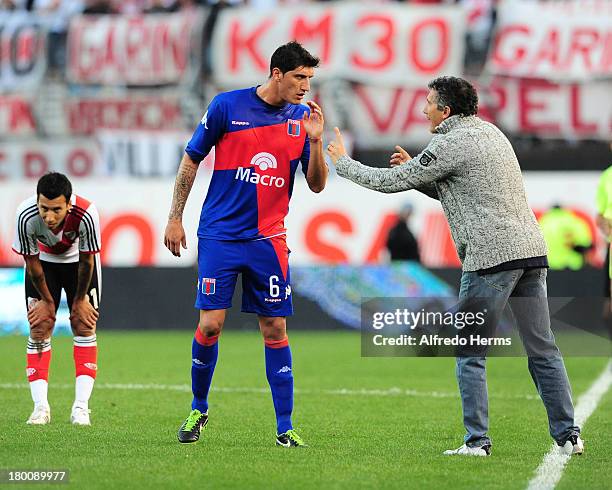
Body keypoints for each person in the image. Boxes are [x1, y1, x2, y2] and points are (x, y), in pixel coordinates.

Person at [325, 76, 583, 457]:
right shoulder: (490, 133)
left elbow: (389, 182)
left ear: (445, 110)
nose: (423, 109)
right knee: (542, 347)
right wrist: (417, 171)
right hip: (530, 252)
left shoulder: (449, 141)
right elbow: (460, 187)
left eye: (428, 102)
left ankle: (477, 441)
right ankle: (569, 436)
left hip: (491, 257)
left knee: (469, 351)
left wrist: (342, 164)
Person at [164, 41, 327, 447]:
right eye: (299, 78)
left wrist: (317, 142)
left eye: (310, 78)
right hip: (219, 235)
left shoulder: (304, 119)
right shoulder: (226, 106)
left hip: (268, 240)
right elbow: (191, 159)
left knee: (274, 328)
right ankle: (198, 408)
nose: (305, 86)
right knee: (210, 324)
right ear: (277, 74)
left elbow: (318, 185)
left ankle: (285, 428)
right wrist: (174, 217)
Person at [12, 172, 101, 426]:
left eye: (56, 210)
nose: (48, 217)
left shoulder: (87, 213)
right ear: (37, 201)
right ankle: (40, 408)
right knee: (39, 326)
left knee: (84, 324)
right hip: (43, 264)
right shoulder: (25, 215)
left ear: (69, 204)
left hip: (78, 265)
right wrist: (47, 302)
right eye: (44, 208)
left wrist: (80, 299)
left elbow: (87, 260)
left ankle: (81, 408)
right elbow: (31, 263)